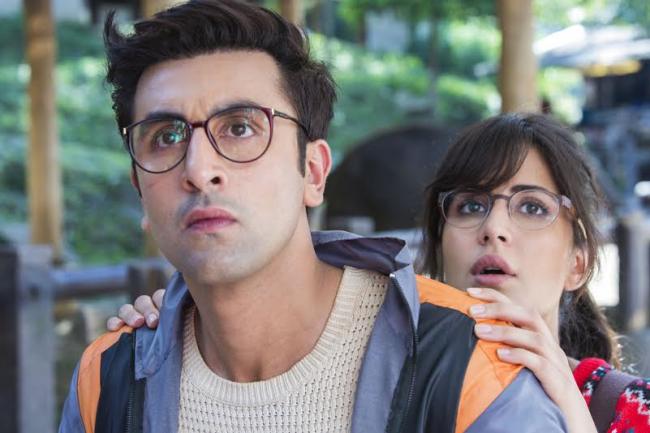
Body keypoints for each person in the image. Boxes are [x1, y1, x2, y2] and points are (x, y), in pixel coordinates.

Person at [60, 1, 568, 432]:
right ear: (141, 193)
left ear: (314, 172)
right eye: (165, 137)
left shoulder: (465, 366)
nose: (198, 169)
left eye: (240, 128)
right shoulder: (107, 382)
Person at [420, 112, 650, 433]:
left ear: (577, 264)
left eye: (532, 207)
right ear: (440, 250)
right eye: (471, 206)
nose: (493, 228)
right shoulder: (386, 393)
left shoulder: (637, 412)